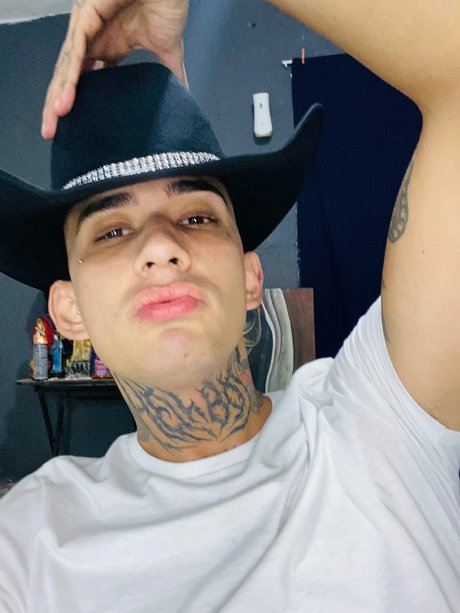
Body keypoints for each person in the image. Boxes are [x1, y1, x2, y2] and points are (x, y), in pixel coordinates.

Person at [0, 0, 459, 611]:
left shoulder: (382, 417)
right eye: (112, 231)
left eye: (196, 217)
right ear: (68, 310)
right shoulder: (30, 539)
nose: (161, 248)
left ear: (249, 276)